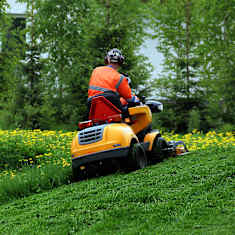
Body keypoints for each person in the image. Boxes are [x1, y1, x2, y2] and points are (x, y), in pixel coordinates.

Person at [87, 48, 139, 115]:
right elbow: (129, 98)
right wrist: (136, 99)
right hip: (111, 107)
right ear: (120, 61)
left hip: (92, 105)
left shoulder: (96, 70)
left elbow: (100, 93)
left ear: (107, 59)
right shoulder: (120, 78)